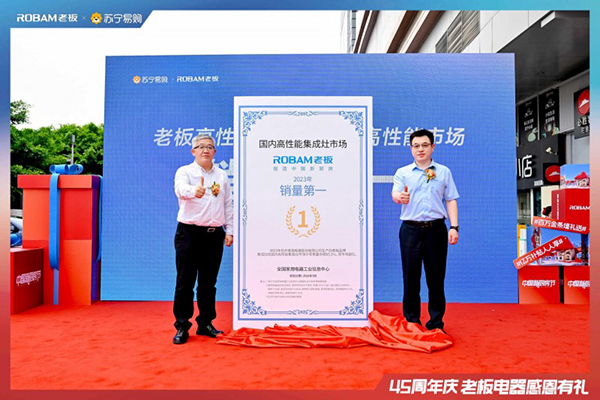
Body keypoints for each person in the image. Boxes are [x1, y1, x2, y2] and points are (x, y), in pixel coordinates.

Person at [391, 129, 459, 332]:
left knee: (436, 278)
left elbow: (451, 199)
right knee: (410, 277)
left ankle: (436, 323)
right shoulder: (403, 172)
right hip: (410, 230)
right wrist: (399, 197)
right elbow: (395, 193)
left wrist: (454, 227)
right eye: (416, 146)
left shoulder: (443, 172)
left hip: (436, 229)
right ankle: (412, 321)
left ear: (432, 147)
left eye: (424, 145)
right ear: (411, 149)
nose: (420, 149)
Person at [172, 134, 233, 344]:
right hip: (189, 234)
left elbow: (228, 204)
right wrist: (193, 191)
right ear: (193, 151)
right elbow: (180, 190)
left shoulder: (221, 175)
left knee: (208, 283)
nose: (205, 150)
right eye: (201, 147)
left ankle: (205, 323)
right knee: (185, 282)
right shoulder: (185, 172)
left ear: (215, 151)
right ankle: (182, 326)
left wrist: (230, 230)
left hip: (214, 235)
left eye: (209, 147)